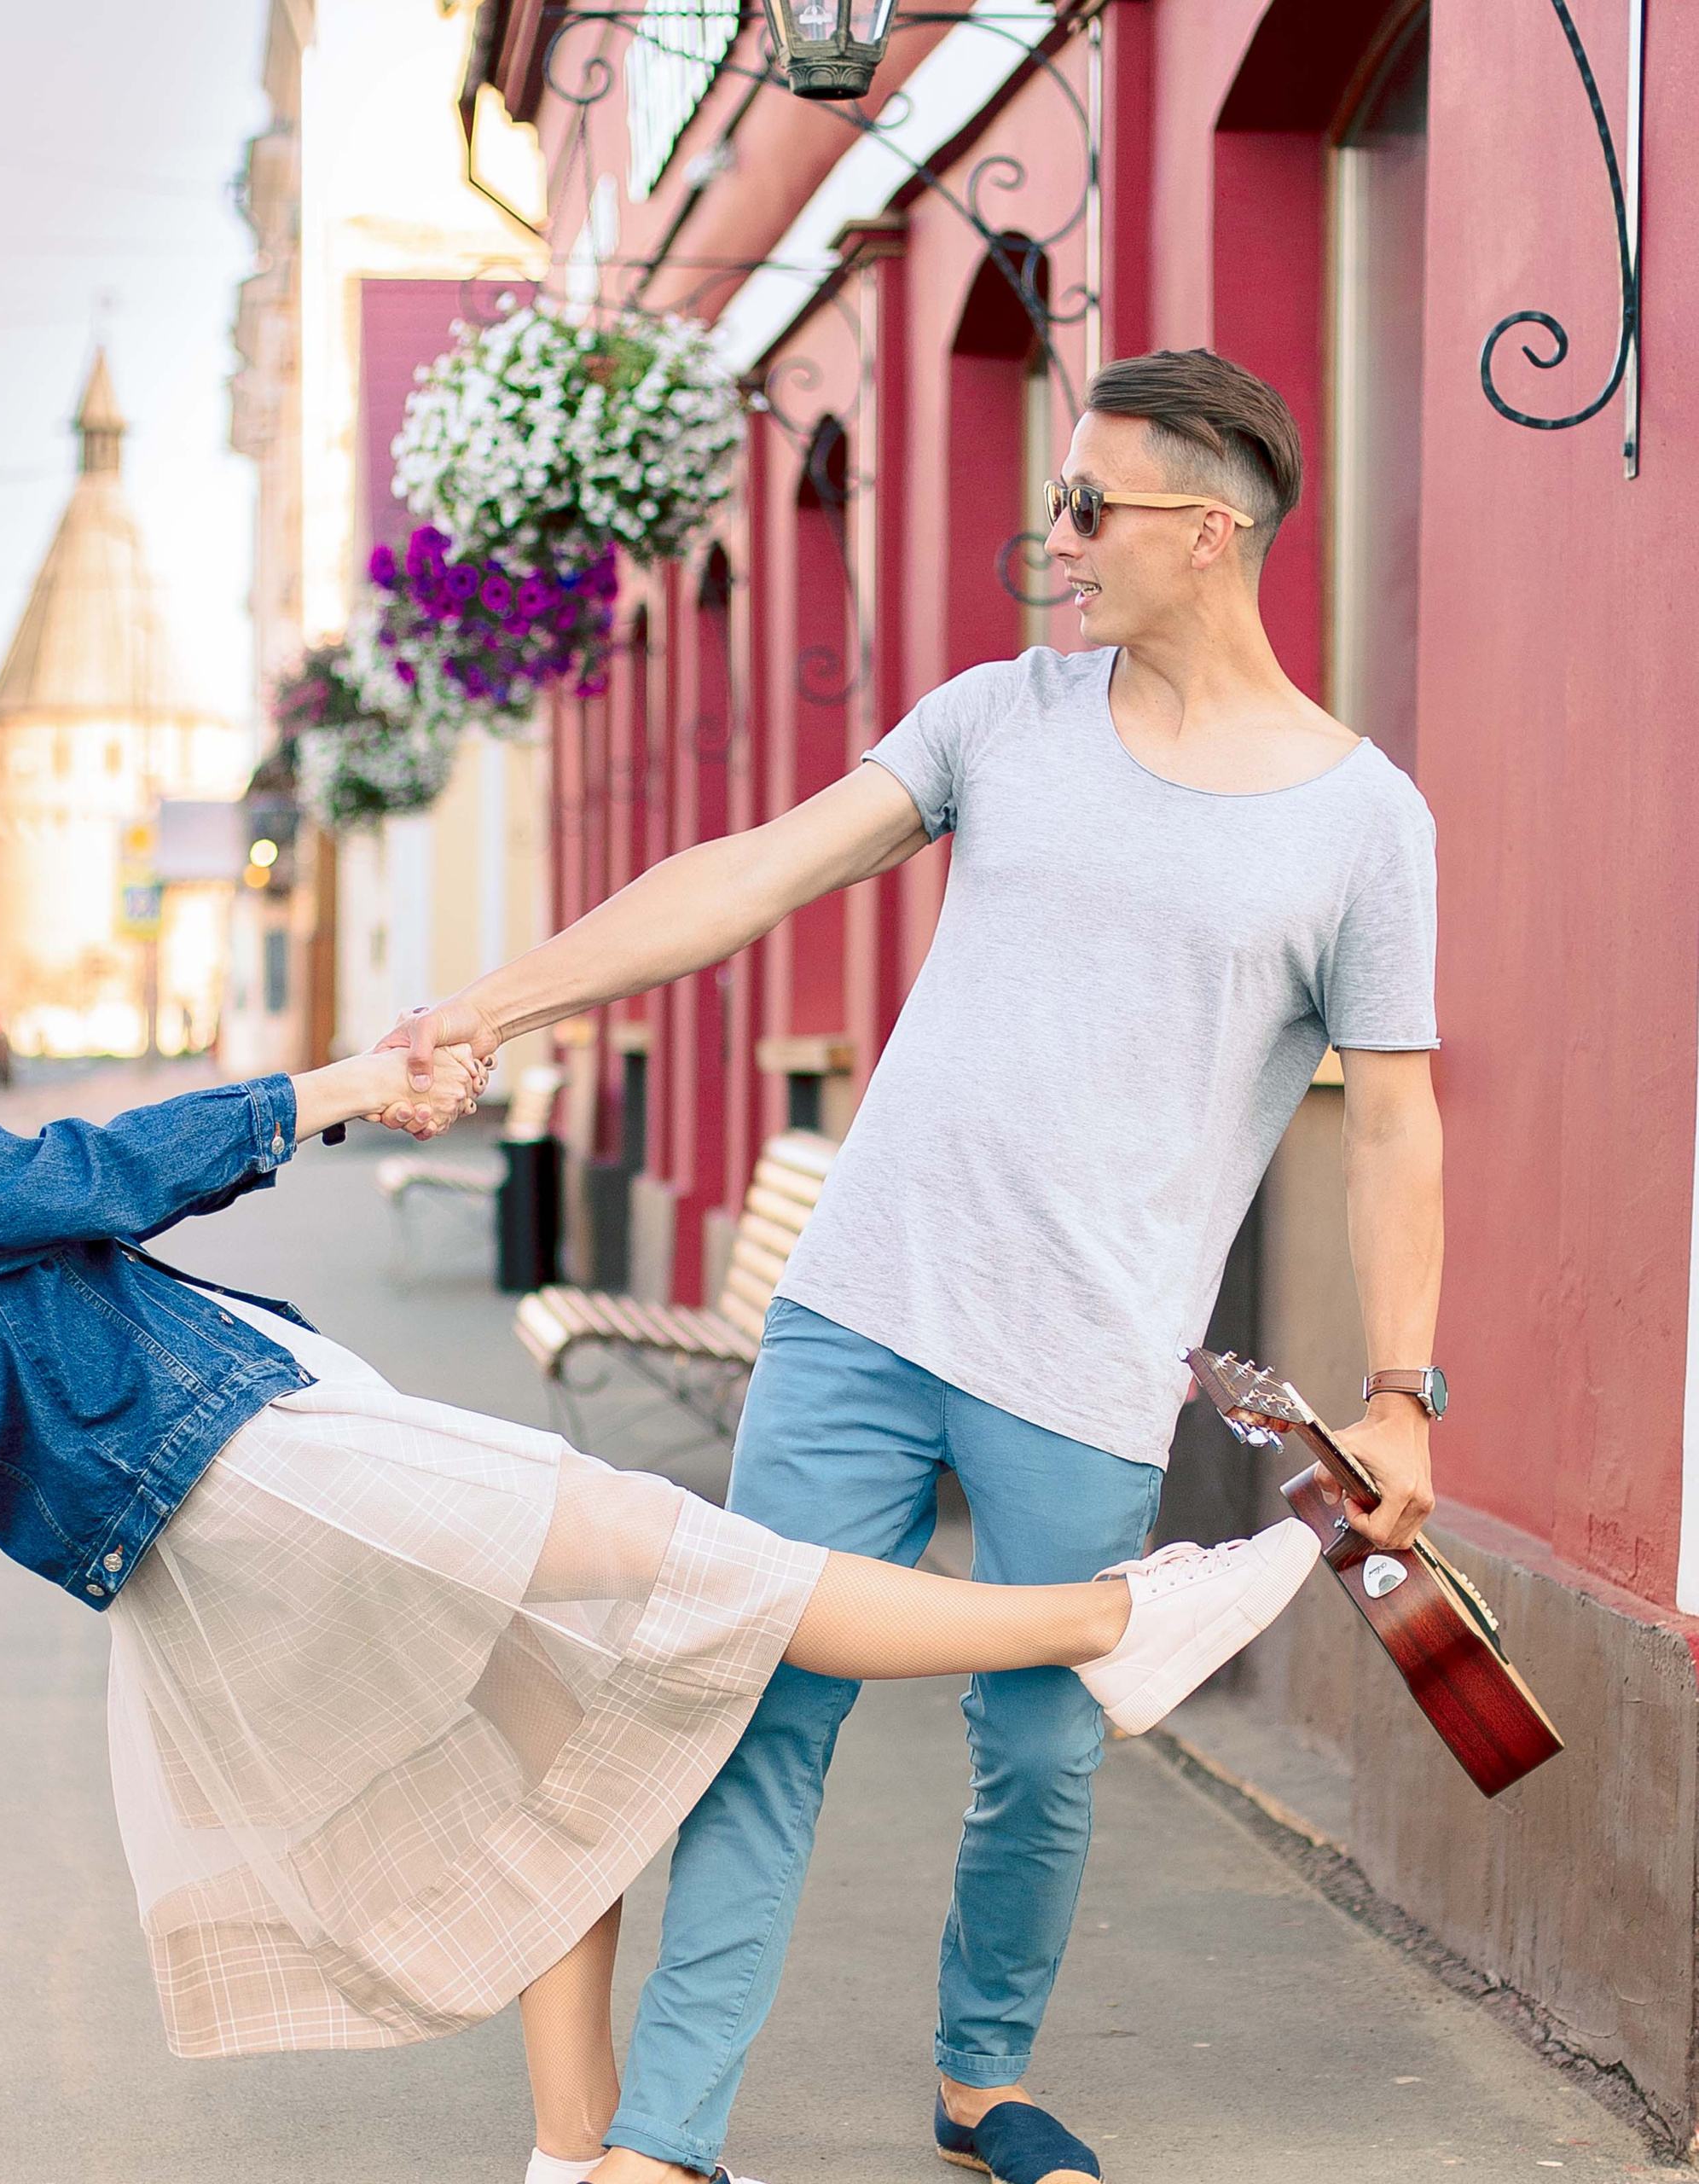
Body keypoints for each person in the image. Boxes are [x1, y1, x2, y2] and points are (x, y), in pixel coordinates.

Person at [0, 905, 1317, 2184]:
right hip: (266, 1472)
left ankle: (580, 2154)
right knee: (701, 1572)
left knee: (556, 1743)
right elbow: (98, 1166)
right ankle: (1112, 1619)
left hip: (253, 1471)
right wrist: (349, 1080)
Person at [382, 348, 1446, 2184]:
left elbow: (1404, 1124)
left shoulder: (1361, 824)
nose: (1056, 537)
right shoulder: (997, 718)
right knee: (762, 1700)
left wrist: (1399, 1388)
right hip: (863, 1300)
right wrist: (487, 1001)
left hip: (1088, 1355)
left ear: (1210, 532)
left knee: (1034, 1751)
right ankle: (663, 2137)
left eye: (1087, 505)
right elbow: (748, 875)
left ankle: (976, 2077)